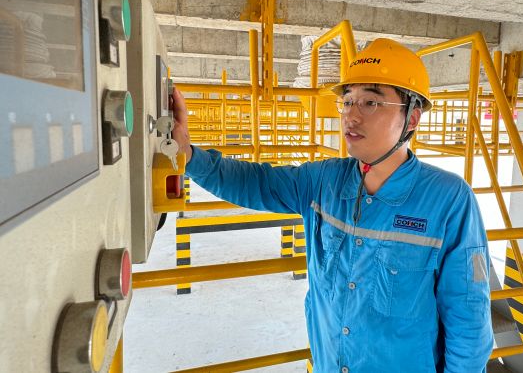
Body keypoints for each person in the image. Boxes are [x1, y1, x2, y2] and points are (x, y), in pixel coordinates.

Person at [172, 38, 493, 373]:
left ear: (411, 118)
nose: (351, 116)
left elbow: (468, 321)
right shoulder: (323, 182)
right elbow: (256, 182)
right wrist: (189, 155)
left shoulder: (448, 200)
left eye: (370, 102)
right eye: (348, 101)